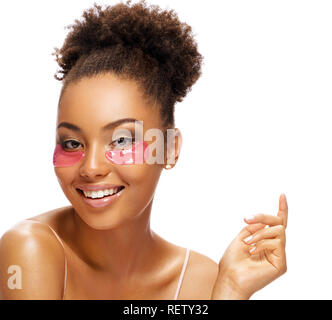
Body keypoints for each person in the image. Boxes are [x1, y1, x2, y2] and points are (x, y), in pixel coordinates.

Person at [0, 0, 288, 300]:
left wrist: (230, 291)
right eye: (73, 143)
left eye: (122, 141)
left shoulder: (202, 279)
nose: (91, 168)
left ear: (169, 148)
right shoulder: (30, 248)